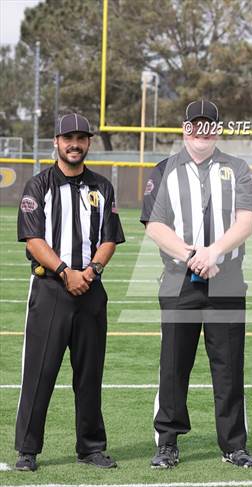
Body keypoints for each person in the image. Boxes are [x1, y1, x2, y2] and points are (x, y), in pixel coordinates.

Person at [141, 100, 252, 469]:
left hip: (227, 277)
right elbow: (155, 225)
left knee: (229, 366)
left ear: (218, 130)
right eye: (195, 125)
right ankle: (167, 442)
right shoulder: (164, 170)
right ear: (185, 128)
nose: (202, 132)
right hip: (180, 279)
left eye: (209, 125)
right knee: (173, 365)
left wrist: (214, 252)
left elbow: (246, 221)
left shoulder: (238, 168)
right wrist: (193, 255)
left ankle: (234, 444)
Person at [14, 113, 124, 471]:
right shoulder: (38, 186)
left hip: (90, 290)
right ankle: (27, 450)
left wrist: (91, 272)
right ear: (56, 142)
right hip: (51, 290)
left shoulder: (102, 187)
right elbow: (33, 240)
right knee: (39, 371)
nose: (74, 144)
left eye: (80, 138)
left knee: (89, 374)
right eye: (68, 138)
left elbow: (109, 238)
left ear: (88, 142)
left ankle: (90, 447)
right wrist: (65, 272)